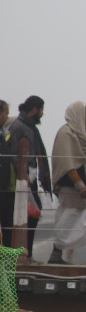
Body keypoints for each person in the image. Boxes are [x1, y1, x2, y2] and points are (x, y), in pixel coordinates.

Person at [48, 102, 86, 264]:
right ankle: (56, 254)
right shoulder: (66, 133)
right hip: (71, 186)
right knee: (68, 219)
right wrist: (79, 184)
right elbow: (66, 162)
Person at [7, 96, 50, 253]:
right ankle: (23, 251)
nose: (42, 114)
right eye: (41, 110)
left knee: (33, 213)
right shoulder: (18, 127)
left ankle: (27, 251)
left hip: (30, 177)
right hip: (21, 179)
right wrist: (22, 173)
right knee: (29, 215)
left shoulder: (31, 128)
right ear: (35, 110)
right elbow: (12, 153)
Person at [0, 100, 13, 248]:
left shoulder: (5, 133)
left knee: (7, 221)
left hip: (4, 185)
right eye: (5, 113)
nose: (7, 117)